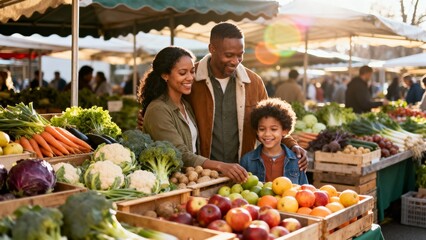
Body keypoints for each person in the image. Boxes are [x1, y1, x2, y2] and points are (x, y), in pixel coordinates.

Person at [139, 23, 307, 182]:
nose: (235, 61)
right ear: (212, 49)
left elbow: (271, 121)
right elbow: (166, 113)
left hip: (243, 172)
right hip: (201, 176)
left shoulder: (253, 82)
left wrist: (293, 145)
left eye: (240, 55)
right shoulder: (193, 79)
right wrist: (148, 117)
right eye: (229, 55)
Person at [139, 46, 215, 171]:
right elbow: (180, 153)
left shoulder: (186, 105)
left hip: (189, 177)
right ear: (165, 75)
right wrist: (220, 166)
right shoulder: (158, 109)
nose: (190, 77)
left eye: (192, 71)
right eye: (182, 73)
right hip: (170, 182)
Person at [240, 98, 308, 183]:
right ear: (257, 131)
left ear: (285, 131)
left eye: (273, 129)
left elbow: (305, 189)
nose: (267, 134)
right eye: (262, 129)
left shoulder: (297, 160)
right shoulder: (247, 160)